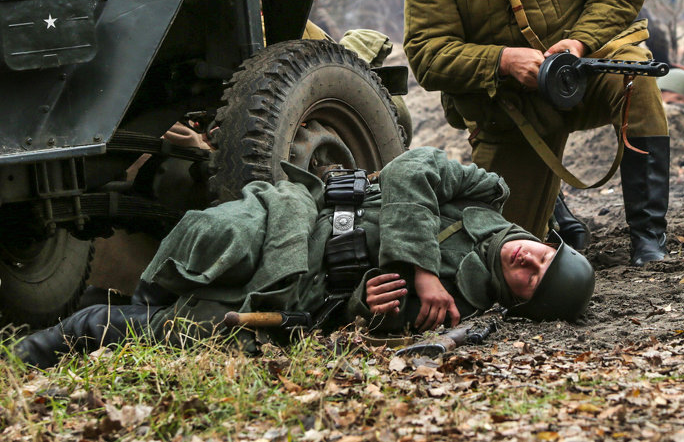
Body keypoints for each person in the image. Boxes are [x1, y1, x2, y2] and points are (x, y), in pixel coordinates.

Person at [12, 147, 595, 368]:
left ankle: (57, 338)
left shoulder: (457, 311)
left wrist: (365, 305)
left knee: (188, 331)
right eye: (543, 254)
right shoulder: (487, 193)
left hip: (297, 292)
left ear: (521, 301)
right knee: (215, 239)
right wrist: (422, 269)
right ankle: (122, 300)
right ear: (548, 238)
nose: (528, 259)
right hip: (297, 215)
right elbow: (408, 170)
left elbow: (364, 322)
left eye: (533, 278)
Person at [403, 0, 670, 266]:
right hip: (513, 111)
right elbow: (428, 54)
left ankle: (648, 239)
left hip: (588, 73)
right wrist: (503, 61)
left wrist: (580, 42)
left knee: (634, 81)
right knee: (495, 249)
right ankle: (554, 215)